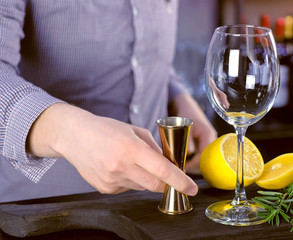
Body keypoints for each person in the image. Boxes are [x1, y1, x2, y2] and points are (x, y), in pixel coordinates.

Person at [0, 0, 217, 202]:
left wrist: (177, 95)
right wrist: (69, 134)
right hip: (45, 210)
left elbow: (142, 51)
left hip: (149, 204)